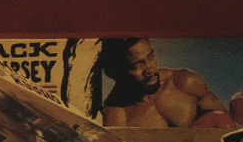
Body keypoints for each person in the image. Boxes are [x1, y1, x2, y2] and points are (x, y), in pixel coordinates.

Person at [96, 39, 229, 128]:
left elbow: (228, 125)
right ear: (116, 73)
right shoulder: (117, 116)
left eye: (151, 57)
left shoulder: (185, 83)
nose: (150, 69)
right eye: (137, 65)